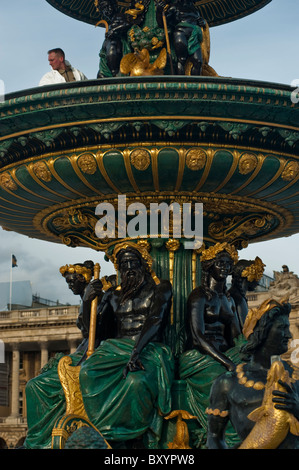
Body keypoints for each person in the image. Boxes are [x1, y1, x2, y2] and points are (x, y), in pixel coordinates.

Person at [79, 241, 174, 448]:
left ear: (143, 265)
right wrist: (87, 302)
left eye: (133, 263)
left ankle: (134, 438)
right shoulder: (113, 295)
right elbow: (95, 332)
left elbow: (156, 319)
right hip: (116, 349)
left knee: (135, 382)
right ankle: (105, 432)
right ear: (119, 269)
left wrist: (136, 352)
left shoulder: (161, 288)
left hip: (149, 348)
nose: (129, 269)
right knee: (87, 373)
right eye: (124, 265)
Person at [23, 261, 115, 449]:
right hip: (80, 354)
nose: (70, 285)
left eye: (73, 281)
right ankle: (39, 440)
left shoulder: (102, 299)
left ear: (85, 279)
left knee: (36, 386)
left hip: (94, 355)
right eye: (68, 282)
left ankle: (40, 441)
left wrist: (91, 301)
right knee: (34, 384)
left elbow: (99, 331)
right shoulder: (86, 299)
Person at [206, 298, 299, 449]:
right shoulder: (228, 383)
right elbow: (214, 437)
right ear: (262, 332)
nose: (289, 335)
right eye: (282, 328)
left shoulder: (296, 378)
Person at [179, 242, 244, 447]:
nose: (225, 268)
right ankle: (224, 435)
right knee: (225, 380)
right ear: (208, 266)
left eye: (227, 264)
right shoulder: (198, 296)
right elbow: (197, 337)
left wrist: (247, 351)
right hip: (200, 357)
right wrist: (227, 362)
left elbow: (235, 335)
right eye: (220, 263)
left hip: (225, 352)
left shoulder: (228, 299)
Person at [229, 256, 265, 330]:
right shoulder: (238, 299)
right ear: (249, 276)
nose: (258, 283)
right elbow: (245, 330)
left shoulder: (236, 295)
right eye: (258, 276)